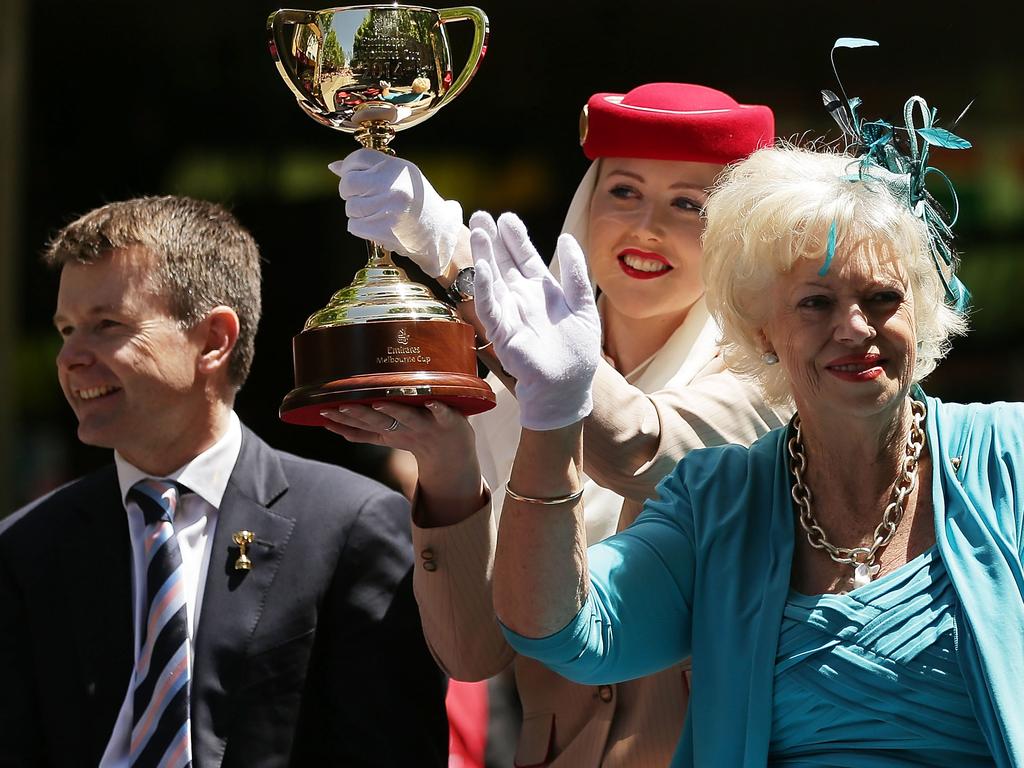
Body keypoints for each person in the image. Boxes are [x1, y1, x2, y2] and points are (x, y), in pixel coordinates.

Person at [485, 91, 1024, 765]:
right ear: (764, 330)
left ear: (922, 308)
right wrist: (551, 415)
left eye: (882, 298)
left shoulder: (1011, 456)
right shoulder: (719, 499)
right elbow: (564, 630)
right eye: (815, 302)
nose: (854, 327)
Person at [324, 83, 790, 766]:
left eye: (689, 203)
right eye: (623, 191)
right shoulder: (516, 380)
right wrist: (447, 465)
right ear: (586, 203)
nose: (646, 228)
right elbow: (474, 653)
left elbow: (634, 444)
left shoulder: (771, 373)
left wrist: (452, 250)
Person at [0, 196, 448, 767]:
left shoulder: (351, 530)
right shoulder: (24, 550)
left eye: (106, 325)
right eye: (66, 330)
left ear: (213, 339)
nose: (70, 357)